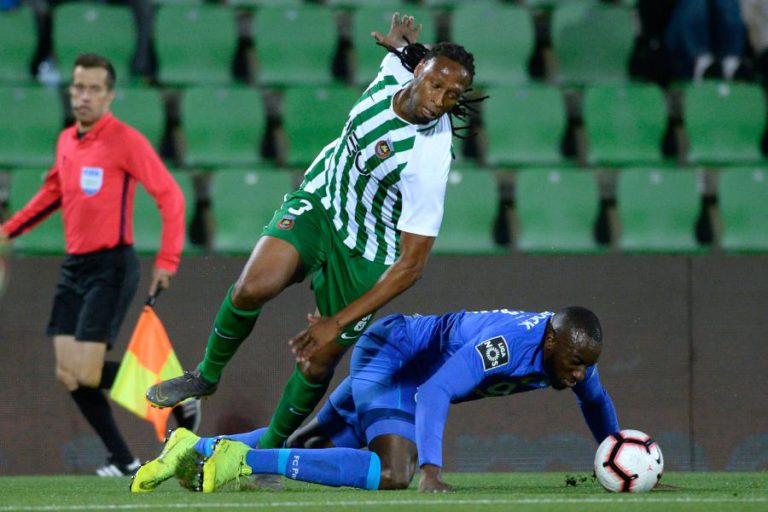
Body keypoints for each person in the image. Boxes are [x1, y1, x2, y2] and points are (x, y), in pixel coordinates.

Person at [146, 13, 482, 452]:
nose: (440, 100)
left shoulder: (428, 156)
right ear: (418, 71)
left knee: (318, 359)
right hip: (322, 202)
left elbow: (412, 265)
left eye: (452, 95)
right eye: (437, 85)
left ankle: (267, 452)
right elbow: (404, 55)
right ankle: (205, 375)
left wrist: (336, 324)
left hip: (368, 252)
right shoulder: (398, 69)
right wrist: (400, 45)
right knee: (252, 287)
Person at [131, 306, 619, 493]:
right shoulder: (510, 344)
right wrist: (429, 468)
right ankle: (241, 462)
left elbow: (595, 403)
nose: (580, 374)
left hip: (404, 374)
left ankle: (194, 448)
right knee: (394, 472)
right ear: (552, 343)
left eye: (586, 365)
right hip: (396, 358)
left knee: (314, 446)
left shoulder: (573, 357)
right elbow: (436, 390)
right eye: (575, 362)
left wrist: (615, 453)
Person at [0, 53, 196, 476]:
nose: (83, 96)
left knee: (86, 370)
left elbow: (171, 196)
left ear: (109, 95)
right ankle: (124, 459)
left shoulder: (125, 140)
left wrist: (168, 258)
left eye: (93, 89)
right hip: (75, 267)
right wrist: (8, 230)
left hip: (111, 266)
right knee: (69, 374)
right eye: (77, 87)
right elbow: (52, 194)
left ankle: (173, 392)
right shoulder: (67, 141)